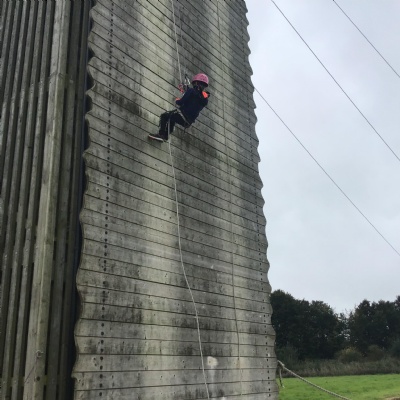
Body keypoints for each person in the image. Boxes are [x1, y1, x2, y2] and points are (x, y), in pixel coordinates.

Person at [149, 73, 210, 142]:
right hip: (187, 122)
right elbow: (194, 99)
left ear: (196, 83)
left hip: (182, 116)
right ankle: (165, 136)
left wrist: (177, 100)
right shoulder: (205, 100)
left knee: (164, 116)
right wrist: (186, 90)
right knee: (172, 118)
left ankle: (161, 134)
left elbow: (181, 102)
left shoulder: (191, 91)